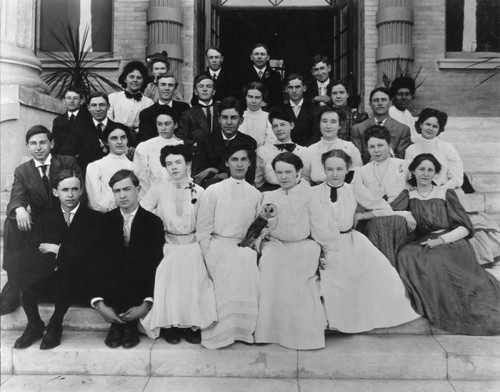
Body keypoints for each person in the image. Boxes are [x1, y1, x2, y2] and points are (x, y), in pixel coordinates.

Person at [312, 150, 419, 333]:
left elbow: (383, 208)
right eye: (330, 169)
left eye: (339, 169)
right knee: (332, 279)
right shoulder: (312, 192)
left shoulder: (353, 190)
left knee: (381, 273)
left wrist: (362, 215)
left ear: (347, 170)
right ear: (324, 170)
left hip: (349, 241)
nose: (335, 174)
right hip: (322, 245)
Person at [395, 154, 500, 335]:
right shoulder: (408, 195)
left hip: (451, 241)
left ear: (435, 174)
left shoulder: (445, 193)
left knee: (436, 259)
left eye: (430, 170)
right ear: (413, 171)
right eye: (421, 169)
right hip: (424, 240)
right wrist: (405, 214)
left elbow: (465, 228)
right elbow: (388, 209)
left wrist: (440, 240)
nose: (426, 174)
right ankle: (431, 302)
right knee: (406, 254)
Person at [13, 170, 101, 350]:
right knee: (24, 273)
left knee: (70, 272)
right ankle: (34, 324)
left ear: (81, 190)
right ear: (55, 192)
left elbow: (91, 254)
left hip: (83, 282)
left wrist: (58, 249)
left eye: (75, 189)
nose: (70, 194)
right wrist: (67, 253)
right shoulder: (45, 218)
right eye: (65, 190)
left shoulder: (94, 218)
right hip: (53, 277)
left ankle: (55, 324)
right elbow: (37, 248)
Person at [254, 152, 332, 350]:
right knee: (270, 262)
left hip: (303, 245)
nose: (284, 176)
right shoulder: (269, 196)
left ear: (298, 173)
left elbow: (320, 227)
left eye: (288, 172)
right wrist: (265, 236)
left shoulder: (311, 195)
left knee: (300, 277)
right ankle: (270, 332)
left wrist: (324, 250)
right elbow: (258, 228)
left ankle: (303, 335)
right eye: (279, 172)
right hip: (277, 245)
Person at [140, 145, 217, 344]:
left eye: (178, 162)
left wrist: (202, 248)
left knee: (193, 279)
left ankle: (192, 325)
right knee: (169, 277)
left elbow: (204, 222)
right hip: (168, 244)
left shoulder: (199, 191)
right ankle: (170, 325)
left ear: (188, 164)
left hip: (192, 244)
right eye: (169, 164)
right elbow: (143, 212)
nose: (173, 167)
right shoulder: (159, 189)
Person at [1, 126, 81, 316]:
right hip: (42, 224)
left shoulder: (67, 162)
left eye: (43, 142)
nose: (38, 147)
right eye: (33, 143)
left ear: (51, 143)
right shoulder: (23, 170)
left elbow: (78, 192)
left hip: (66, 217)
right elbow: (17, 195)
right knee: (10, 223)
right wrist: (19, 208)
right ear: (27, 146)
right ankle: (13, 283)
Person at [406, 108, 500, 266]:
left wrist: (441, 189)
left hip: (447, 191)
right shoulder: (411, 149)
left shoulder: (447, 148)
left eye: (435, 126)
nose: (430, 128)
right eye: (427, 124)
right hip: (422, 191)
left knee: (463, 222)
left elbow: (457, 177)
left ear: (440, 129)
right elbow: (409, 175)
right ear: (420, 125)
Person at [90, 170, 164, 349]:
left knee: (137, 262)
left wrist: (147, 303)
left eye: (127, 189)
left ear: (138, 189)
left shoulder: (153, 222)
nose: (122, 195)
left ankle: (128, 325)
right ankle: (119, 324)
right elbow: (95, 263)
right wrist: (98, 303)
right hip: (112, 288)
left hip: (139, 287)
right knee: (111, 261)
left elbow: (155, 264)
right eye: (117, 191)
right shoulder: (104, 221)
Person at [196, 145, 261, 349]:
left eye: (243, 160)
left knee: (247, 273)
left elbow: (257, 227)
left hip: (243, 247)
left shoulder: (255, 194)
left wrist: (251, 247)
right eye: (234, 159)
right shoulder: (214, 190)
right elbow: (204, 225)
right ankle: (219, 335)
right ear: (227, 162)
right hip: (218, 246)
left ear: (250, 163)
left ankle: (242, 332)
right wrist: (206, 252)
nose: (239, 164)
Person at [352, 125, 413, 265]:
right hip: (375, 220)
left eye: (380, 145)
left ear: (389, 145)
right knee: (380, 225)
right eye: (372, 146)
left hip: (403, 221)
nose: (377, 150)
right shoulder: (362, 172)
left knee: (394, 224)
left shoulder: (404, 165)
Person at [193, 97, 257, 188]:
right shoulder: (205, 140)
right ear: (219, 119)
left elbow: (249, 176)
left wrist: (214, 171)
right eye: (224, 118)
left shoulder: (248, 143)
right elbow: (197, 173)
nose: (229, 122)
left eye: (234, 118)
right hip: (210, 189)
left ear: (241, 120)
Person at [255, 106, 311, 190]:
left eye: (282, 124)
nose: (279, 129)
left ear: (291, 125)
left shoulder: (303, 152)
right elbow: (258, 181)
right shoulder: (263, 152)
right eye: (275, 126)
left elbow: (307, 181)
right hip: (271, 193)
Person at [351, 87, 411, 164]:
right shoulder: (358, 129)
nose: (380, 103)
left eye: (383, 100)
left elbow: (400, 159)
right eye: (376, 100)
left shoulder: (402, 129)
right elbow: (357, 158)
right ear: (370, 104)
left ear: (390, 104)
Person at [134, 106, 184, 195]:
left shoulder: (182, 145)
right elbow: (141, 178)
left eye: (167, 124)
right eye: (159, 124)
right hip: (151, 198)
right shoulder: (145, 147)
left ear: (175, 125)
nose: (163, 128)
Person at [72, 91, 124, 175]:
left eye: (102, 105)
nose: (98, 109)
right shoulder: (78, 130)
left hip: (115, 176)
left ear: (108, 106)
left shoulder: (120, 129)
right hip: (87, 176)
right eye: (94, 105)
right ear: (88, 107)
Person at [85, 124, 134, 212]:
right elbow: (95, 201)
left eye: (123, 137)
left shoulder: (134, 166)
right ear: (106, 142)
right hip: (106, 217)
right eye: (114, 138)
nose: (120, 142)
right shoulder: (96, 166)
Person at [307, 107, 362, 185]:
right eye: (324, 121)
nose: (328, 126)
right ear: (319, 124)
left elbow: (358, 176)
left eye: (333, 122)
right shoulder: (310, 150)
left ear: (339, 125)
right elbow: (305, 179)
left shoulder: (350, 148)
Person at [108, 61, 154, 145]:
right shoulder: (113, 98)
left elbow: (148, 128)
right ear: (125, 79)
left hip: (139, 141)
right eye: (131, 77)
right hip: (117, 138)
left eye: (139, 77)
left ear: (143, 80)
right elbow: (108, 122)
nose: (135, 80)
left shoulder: (149, 102)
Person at [138, 72, 190, 143]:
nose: (167, 88)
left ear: (175, 88)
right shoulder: (146, 114)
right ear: (157, 87)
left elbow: (188, 134)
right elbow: (145, 140)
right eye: (163, 85)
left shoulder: (184, 108)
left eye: (170, 85)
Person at [177, 74, 219, 146]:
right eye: (201, 86)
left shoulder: (221, 109)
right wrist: (195, 144)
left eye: (208, 86)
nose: (205, 89)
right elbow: (181, 137)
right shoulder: (188, 114)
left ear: (214, 91)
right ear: (195, 91)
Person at [51, 87, 92, 156]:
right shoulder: (58, 120)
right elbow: (55, 144)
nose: (71, 101)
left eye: (75, 98)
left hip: (82, 161)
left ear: (81, 101)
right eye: (68, 98)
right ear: (64, 101)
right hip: (62, 161)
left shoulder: (89, 119)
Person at [239, 43, 283, 108]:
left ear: (268, 57)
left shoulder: (275, 75)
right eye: (256, 54)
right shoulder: (242, 75)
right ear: (251, 57)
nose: (259, 57)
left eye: (262, 54)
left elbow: (278, 98)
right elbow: (240, 97)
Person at [281, 74, 318, 146]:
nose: (294, 91)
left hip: (308, 151)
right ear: (286, 89)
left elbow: (316, 135)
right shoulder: (281, 110)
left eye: (297, 87)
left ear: (304, 88)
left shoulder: (314, 109)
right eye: (290, 87)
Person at [238, 81, 276, 147]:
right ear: (245, 97)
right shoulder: (239, 116)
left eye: (257, 97)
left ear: (262, 99)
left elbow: (271, 140)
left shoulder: (268, 117)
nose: (253, 101)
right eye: (250, 97)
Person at [388, 76, 418, 142]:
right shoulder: (390, 114)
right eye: (400, 94)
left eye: (407, 94)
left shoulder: (408, 114)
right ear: (393, 96)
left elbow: (414, 137)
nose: (404, 98)